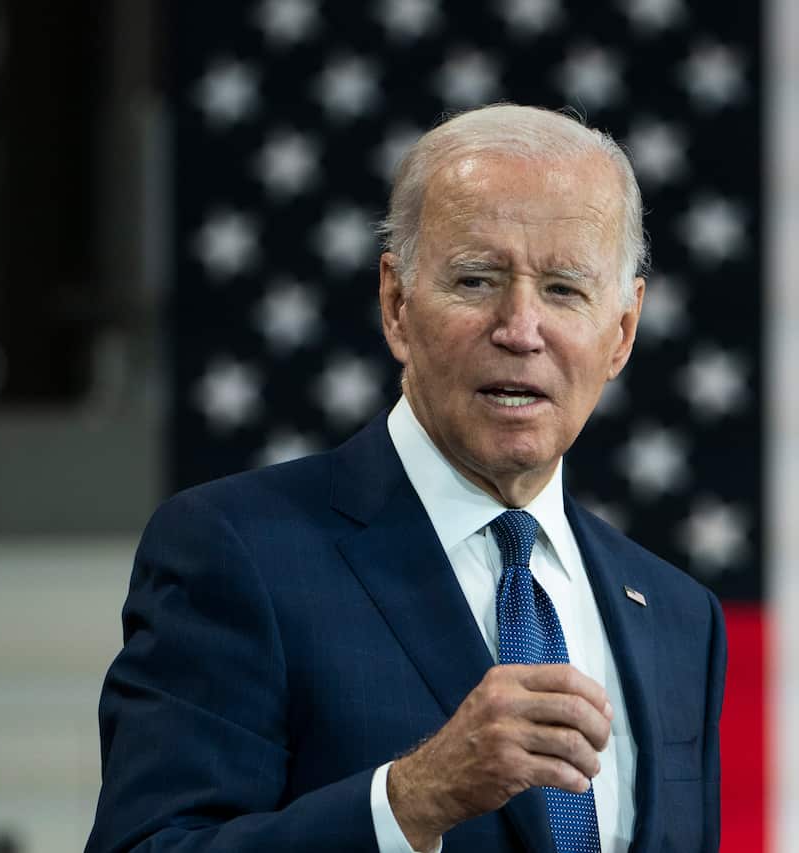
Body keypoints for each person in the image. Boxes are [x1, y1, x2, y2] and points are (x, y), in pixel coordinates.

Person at [85, 104, 727, 853]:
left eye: (563, 289)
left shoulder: (680, 617)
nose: (520, 328)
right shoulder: (236, 553)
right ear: (397, 304)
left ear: (621, 332)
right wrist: (409, 800)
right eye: (477, 279)